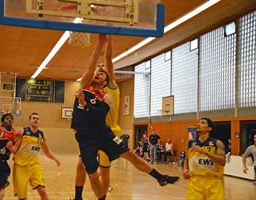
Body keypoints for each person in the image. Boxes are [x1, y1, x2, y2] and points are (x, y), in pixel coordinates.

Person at [71, 34, 180, 200]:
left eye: (101, 74)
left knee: (128, 156)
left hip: (103, 131)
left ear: (107, 82)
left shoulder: (106, 96)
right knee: (91, 174)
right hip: (85, 137)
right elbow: (92, 62)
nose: (97, 73)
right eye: (97, 72)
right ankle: (86, 197)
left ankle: (160, 177)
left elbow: (99, 114)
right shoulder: (84, 86)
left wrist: (85, 105)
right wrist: (101, 42)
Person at [71, 34, 123, 199]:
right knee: (81, 165)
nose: (100, 70)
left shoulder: (111, 86)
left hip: (110, 130)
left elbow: (108, 58)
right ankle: (78, 196)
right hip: (93, 131)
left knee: (105, 170)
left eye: (103, 70)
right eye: (98, 69)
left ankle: (103, 196)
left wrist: (108, 38)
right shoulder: (92, 90)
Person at [11, 112, 61, 200]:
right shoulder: (23, 131)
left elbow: (47, 151)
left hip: (35, 166)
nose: (36, 120)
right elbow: (14, 146)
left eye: (37, 118)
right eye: (33, 118)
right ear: (29, 121)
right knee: (22, 197)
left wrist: (55, 158)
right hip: (20, 166)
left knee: (43, 191)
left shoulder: (42, 135)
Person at [182, 118, 226, 200]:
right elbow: (187, 159)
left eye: (202, 123)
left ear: (209, 128)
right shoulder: (190, 143)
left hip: (213, 182)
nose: (199, 124)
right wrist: (185, 169)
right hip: (195, 181)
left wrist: (205, 152)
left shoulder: (217, 143)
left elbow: (222, 162)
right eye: (198, 123)